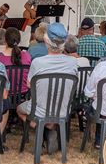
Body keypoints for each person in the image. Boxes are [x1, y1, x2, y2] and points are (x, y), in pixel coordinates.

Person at [16, 23, 78, 153]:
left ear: (45, 40)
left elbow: (29, 85)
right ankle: (50, 129)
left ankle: (42, 128)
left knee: (19, 110)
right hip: (62, 109)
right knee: (48, 111)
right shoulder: (72, 62)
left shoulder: (37, 63)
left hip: (39, 109)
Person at [0, 27, 31, 94]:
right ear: (19, 40)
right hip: (23, 98)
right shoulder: (27, 56)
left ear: (5, 40)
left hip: (4, 98)